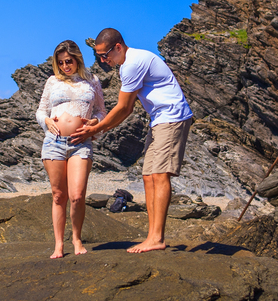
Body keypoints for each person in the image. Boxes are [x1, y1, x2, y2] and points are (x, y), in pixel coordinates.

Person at [70, 29, 193, 253]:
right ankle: (153, 236)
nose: (103, 60)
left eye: (105, 54)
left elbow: (124, 108)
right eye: (98, 56)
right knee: (148, 176)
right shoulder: (129, 63)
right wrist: (97, 125)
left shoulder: (133, 64)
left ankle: (157, 238)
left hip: (173, 117)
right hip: (158, 119)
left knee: (160, 174)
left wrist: (97, 129)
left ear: (118, 47)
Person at [36, 40, 105, 259]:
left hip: (81, 143)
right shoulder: (52, 81)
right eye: (61, 62)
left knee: (77, 196)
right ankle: (58, 245)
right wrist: (46, 122)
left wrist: (94, 123)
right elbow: (41, 111)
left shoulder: (92, 81)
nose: (66, 66)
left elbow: (102, 112)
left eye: (69, 61)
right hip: (54, 142)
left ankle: (76, 238)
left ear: (77, 59)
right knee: (58, 196)